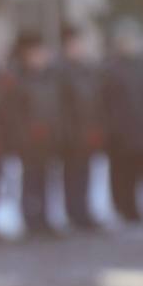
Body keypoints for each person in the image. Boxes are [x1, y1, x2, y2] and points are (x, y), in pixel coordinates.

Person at [9, 31, 70, 234]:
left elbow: (58, 108)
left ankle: (46, 218)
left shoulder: (51, 78)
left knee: (48, 179)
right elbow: (14, 114)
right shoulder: (19, 79)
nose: (41, 57)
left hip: (50, 138)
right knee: (31, 181)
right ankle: (32, 219)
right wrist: (26, 133)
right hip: (30, 141)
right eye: (36, 54)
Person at [100, 18, 143, 222]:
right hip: (121, 132)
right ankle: (123, 206)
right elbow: (106, 103)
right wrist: (114, 128)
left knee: (138, 172)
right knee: (121, 173)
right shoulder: (111, 69)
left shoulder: (142, 67)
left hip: (140, 129)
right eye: (127, 41)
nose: (131, 45)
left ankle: (135, 205)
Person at [60, 26, 108, 228]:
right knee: (72, 176)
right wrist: (70, 132)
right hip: (71, 134)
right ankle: (74, 213)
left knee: (86, 174)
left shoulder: (88, 70)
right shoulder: (61, 72)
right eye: (73, 45)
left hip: (88, 131)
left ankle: (84, 211)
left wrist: (96, 127)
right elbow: (62, 107)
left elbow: (96, 101)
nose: (78, 49)